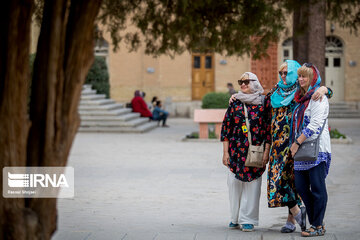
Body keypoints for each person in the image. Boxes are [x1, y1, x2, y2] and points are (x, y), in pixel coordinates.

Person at [228, 60, 332, 233]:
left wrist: (325, 89)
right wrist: (237, 97)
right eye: (281, 73)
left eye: (287, 73)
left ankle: (292, 219)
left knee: (293, 182)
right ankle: (299, 213)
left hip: (295, 144)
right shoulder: (275, 92)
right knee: (278, 182)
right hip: (277, 146)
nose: (283, 76)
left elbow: (319, 93)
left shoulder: (300, 93)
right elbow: (259, 106)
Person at [221, 72, 271, 232]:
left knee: (252, 185)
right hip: (235, 152)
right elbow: (226, 129)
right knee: (234, 185)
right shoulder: (235, 102)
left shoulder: (264, 104)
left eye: (246, 82)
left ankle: (248, 219)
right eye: (240, 82)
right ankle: (234, 218)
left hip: (255, 151)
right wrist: (225, 153)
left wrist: (266, 152)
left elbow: (268, 130)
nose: (242, 85)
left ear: (255, 83)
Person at [290, 63, 331, 237]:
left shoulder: (318, 97)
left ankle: (317, 224)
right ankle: (317, 222)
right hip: (302, 150)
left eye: (305, 76)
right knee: (301, 187)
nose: (301, 79)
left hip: (316, 149)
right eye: (299, 76)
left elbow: (315, 125)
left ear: (313, 78)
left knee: (317, 187)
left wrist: (297, 142)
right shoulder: (300, 98)